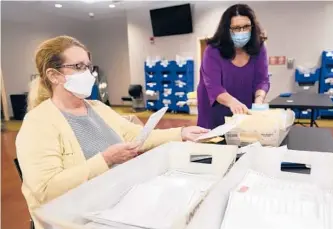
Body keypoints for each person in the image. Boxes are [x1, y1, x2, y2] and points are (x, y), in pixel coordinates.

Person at [16, 35, 208, 228]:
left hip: (118, 202)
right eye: (79, 67)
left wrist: (181, 133)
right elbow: (46, 189)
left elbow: (134, 135)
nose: (89, 74)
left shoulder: (97, 107)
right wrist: (106, 159)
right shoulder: (38, 123)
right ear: (54, 75)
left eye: (88, 67)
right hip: (77, 218)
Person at [197, 4, 270, 129]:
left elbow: (262, 80)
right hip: (215, 113)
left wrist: (259, 99)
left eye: (246, 27)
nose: (242, 32)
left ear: (252, 27)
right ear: (227, 30)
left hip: (243, 111)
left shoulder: (259, 48)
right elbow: (214, 88)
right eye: (236, 28)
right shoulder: (213, 51)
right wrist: (233, 103)